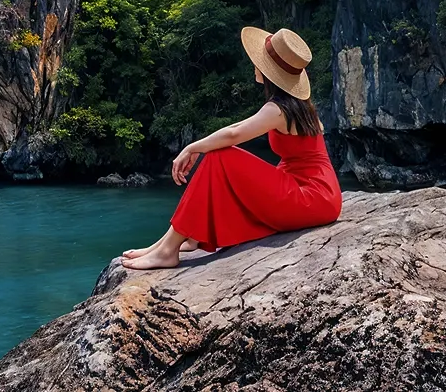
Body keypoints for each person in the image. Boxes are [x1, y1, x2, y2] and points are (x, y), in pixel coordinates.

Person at [119, 26, 343, 270]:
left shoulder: (279, 109)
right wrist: (199, 146)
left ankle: (168, 250)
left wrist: (193, 147)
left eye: (259, 61)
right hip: (320, 192)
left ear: (269, 72)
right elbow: (239, 125)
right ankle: (173, 241)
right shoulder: (296, 105)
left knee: (221, 157)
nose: (254, 64)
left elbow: (234, 134)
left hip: (310, 196)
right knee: (220, 158)